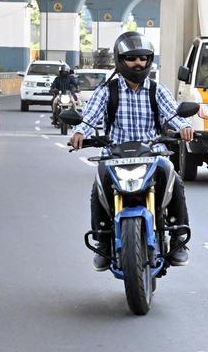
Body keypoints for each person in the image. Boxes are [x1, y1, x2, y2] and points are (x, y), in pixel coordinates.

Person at [70, 31, 194, 270]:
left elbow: (174, 114)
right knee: (99, 189)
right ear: (120, 60)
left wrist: (185, 127)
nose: (139, 63)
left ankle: (179, 237)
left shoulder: (156, 90)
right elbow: (88, 118)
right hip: (115, 155)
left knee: (175, 180)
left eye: (144, 58)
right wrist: (79, 133)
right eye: (132, 58)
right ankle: (103, 241)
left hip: (153, 154)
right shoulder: (108, 90)